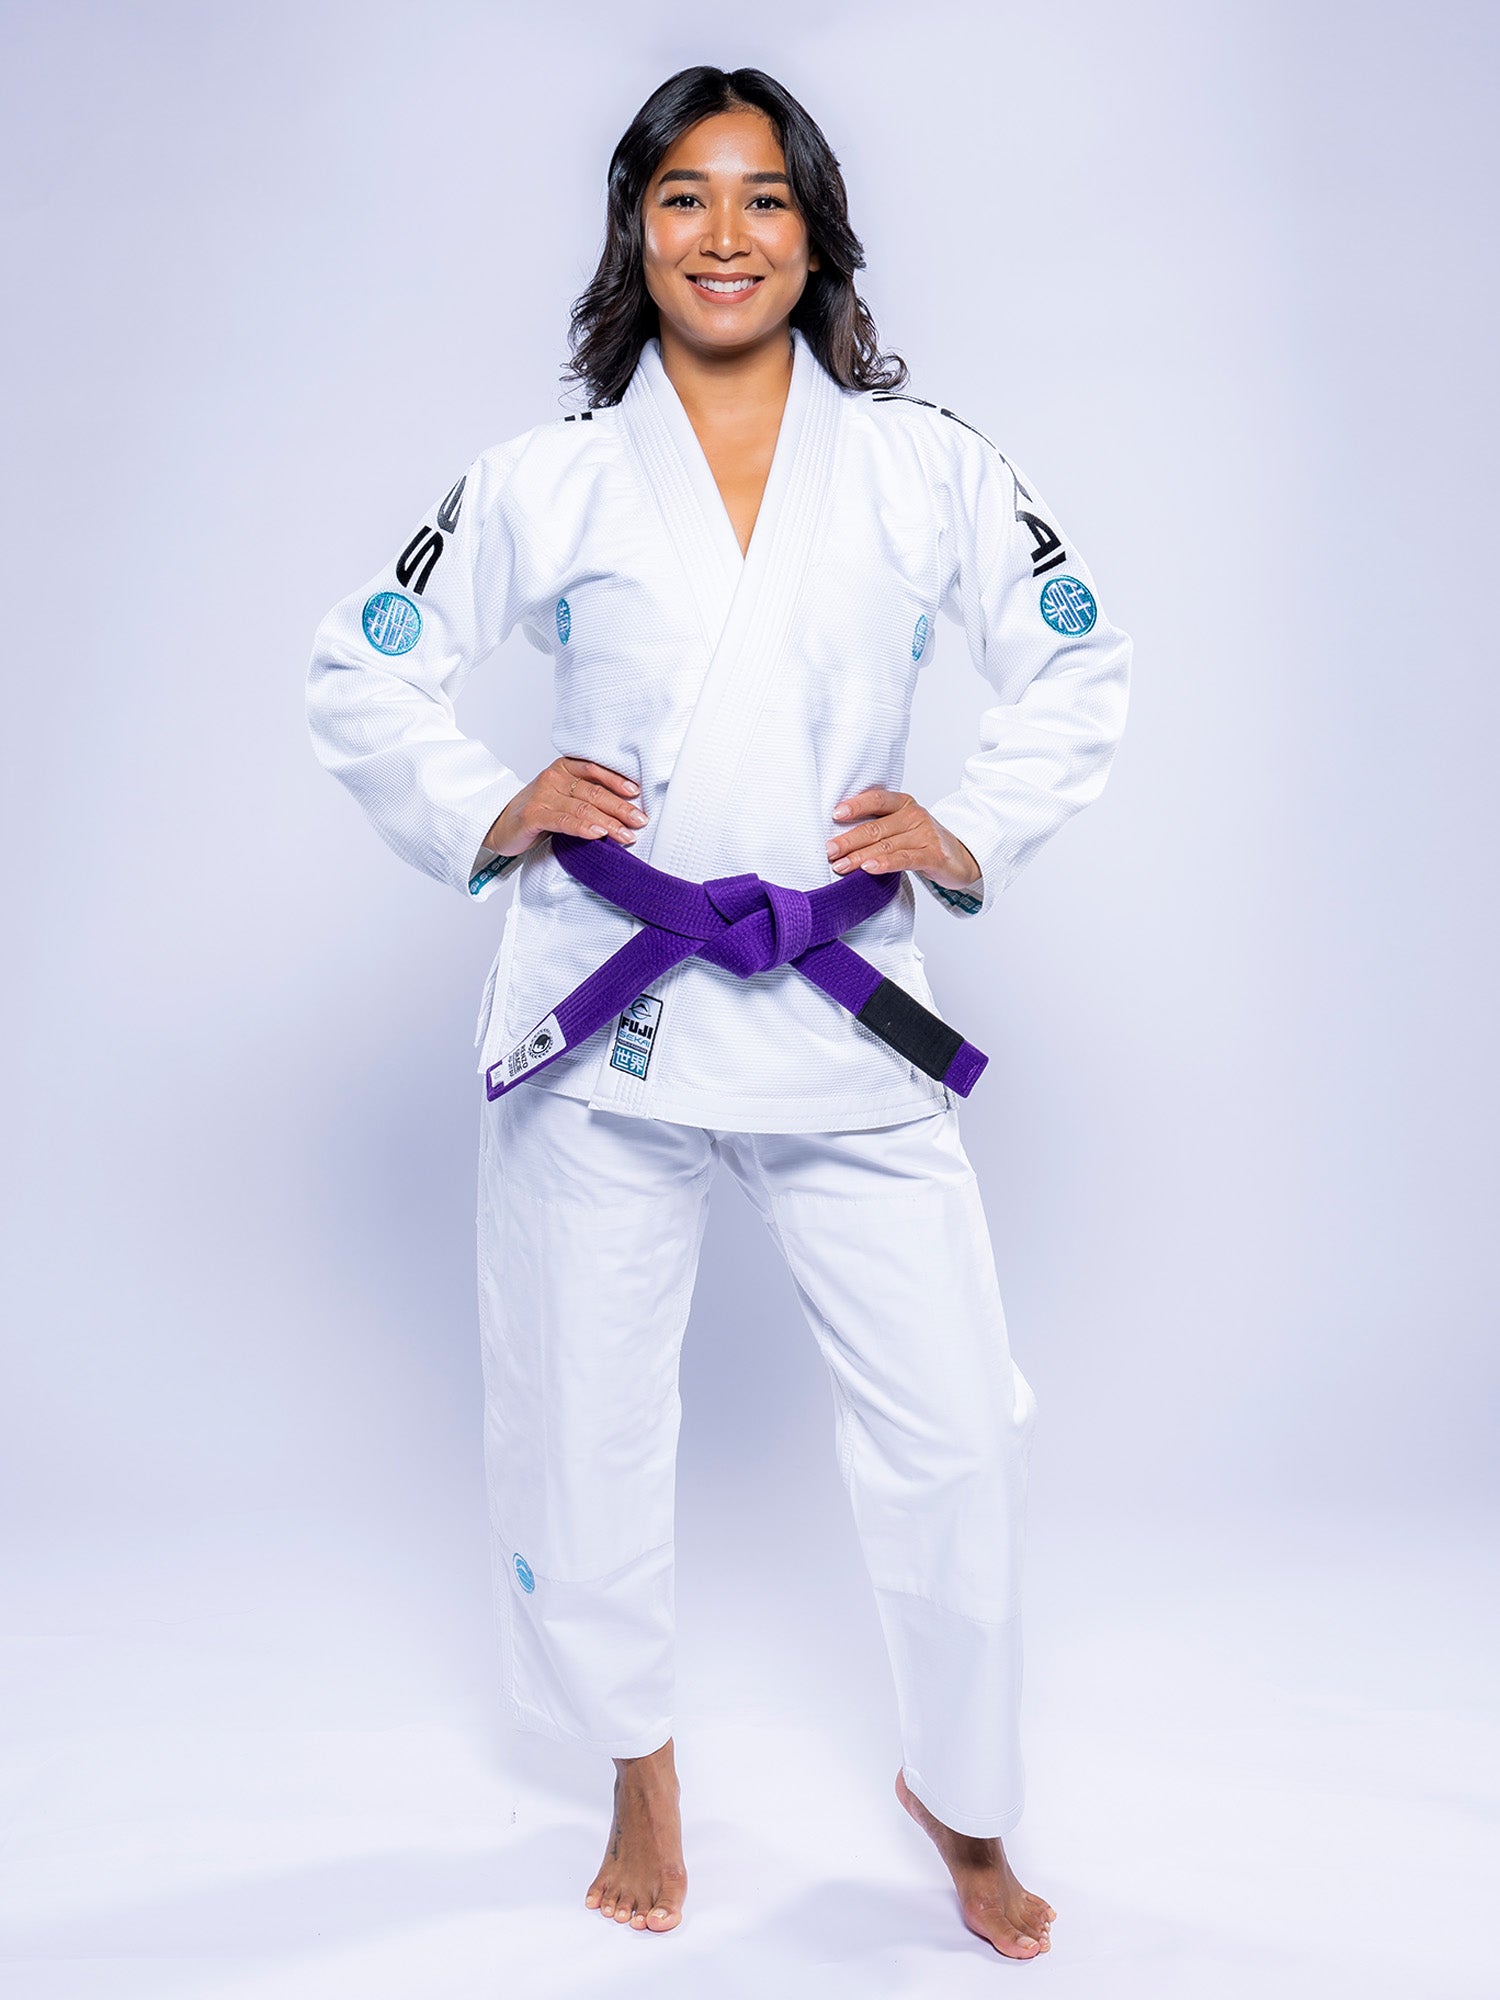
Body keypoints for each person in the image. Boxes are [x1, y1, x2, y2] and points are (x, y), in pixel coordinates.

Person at [307, 64, 1130, 1959]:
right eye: (685, 198)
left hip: (846, 1007)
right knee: (586, 1417)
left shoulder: (933, 466)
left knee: (958, 1434)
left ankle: (966, 1793)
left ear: (817, 229)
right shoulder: (550, 476)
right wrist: (479, 803)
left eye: (764, 198)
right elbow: (362, 667)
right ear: (635, 230)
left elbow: (1086, 665)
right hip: (606, 1015)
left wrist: (973, 822)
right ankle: (635, 1767)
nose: (727, 235)